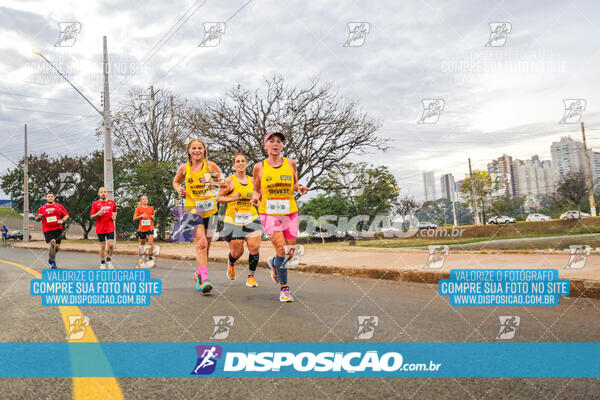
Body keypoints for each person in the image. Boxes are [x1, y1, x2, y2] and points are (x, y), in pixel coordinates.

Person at [251, 131, 309, 302]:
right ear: (265, 145)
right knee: (281, 247)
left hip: (289, 211)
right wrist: (255, 196)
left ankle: (274, 263)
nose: (275, 144)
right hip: (269, 212)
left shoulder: (290, 163)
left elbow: (294, 183)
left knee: (289, 252)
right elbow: (256, 188)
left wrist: (299, 188)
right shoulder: (259, 167)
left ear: (282, 146)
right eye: (272, 141)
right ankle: (285, 289)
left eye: (279, 141)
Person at [173, 138, 225, 294]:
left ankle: (199, 273)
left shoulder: (210, 166)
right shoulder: (184, 168)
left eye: (200, 148)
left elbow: (223, 182)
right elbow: (175, 182)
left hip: (210, 209)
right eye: (193, 148)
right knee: (201, 243)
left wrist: (213, 184)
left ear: (204, 151)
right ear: (189, 151)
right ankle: (204, 279)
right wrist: (179, 189)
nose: (197, 151)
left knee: (207, 246)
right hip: (192, 208)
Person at [217, 153, 262, 287]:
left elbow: (260, 197)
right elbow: (218, 198)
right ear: (234, 165)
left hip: (251, 218)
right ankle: (231, 262)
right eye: (238, 161)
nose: (240, 163)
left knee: (254, 248)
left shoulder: (253, 181)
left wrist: (258, 202)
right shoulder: (228, 181)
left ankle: (251, 277)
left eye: (243, 161)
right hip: (233, 220)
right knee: (238, 252)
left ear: (246, 163)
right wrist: (231, 198)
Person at [35, 192, 68, 269]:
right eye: (48, 196)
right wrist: (39, 217)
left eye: (51, 196)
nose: (50, 198)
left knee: (56, 247)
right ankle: (53, 263)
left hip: (58, 228)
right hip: (47, 229)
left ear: (54, 198)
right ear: (46, 198)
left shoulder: (59, 206)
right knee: (52, 243)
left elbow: (66, 215)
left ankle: (51, 257)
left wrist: (62, 220)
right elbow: (37, 219)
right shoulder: (42, 208)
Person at [90, 187, 117, 269]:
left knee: (111, 245)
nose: (103, 193)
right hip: (100, 228)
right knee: (102, 246)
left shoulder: (112, 202)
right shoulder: (95, 204)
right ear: (98, 194)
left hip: (110, 227)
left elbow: (115, 212)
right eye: (101, 192)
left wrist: (114, 216)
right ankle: (102, 262)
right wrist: (97, 213)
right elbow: (91, 216)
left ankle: (108, 259)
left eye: (105, 192)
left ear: (107, 193)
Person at [133, 195, 155, 268]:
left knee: (150, 243)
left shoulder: (151, 208)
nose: (145, 200)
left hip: (150, 227)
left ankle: (151, 258)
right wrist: (141, 216)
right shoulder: (138, 209)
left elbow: (153, 216)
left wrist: (152, 217)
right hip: (142, 228)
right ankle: (141, 258)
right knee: (142, 243)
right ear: (141, 201)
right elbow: (134, 218)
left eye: (146, 199)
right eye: (143, 199)